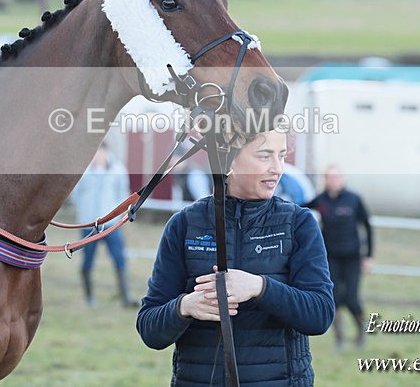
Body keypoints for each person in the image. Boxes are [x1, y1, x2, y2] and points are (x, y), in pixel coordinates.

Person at [137, 129, 334, 386]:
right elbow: (150, 330)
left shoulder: (299, 223)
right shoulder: (184, 224)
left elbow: (319, 315)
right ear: (227, 159)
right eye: (265, 156)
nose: (277, 168)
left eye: (282, 156)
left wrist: (259, 287)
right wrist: (184, 307)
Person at [306, 165, 373, 349]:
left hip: (352, 257)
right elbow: (300, 208)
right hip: (330, 258)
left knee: (351, 299)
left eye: (337, 177)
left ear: (342, 179)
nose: (333, 181)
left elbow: (367, 226)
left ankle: (360, 332)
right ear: (325, 180)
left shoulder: (354, 199)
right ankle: (339, 339)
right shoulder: (321, 200)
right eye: (330, 177)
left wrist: (368, 256)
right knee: (333, 298)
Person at [69, 142, 138, 308]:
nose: (98, 157)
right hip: (89, 225)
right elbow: (75, 194)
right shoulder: (84, 172)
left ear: (106, 153)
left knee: (119, 258)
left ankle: (125, 296)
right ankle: (89, 297)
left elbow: (122, 193)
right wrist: (84, 213)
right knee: (87, 260)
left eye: (101, 153)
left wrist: (119, 216)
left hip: (110, 225)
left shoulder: (118, 170)